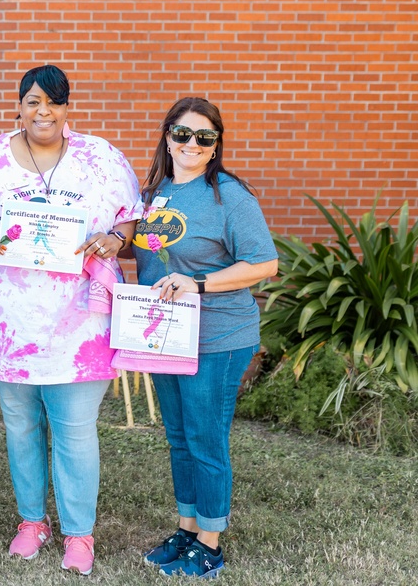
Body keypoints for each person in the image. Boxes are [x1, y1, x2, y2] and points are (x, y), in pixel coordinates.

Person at [0, 64, 141, 576]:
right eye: (32, 101)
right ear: (20, 106)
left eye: (52, 102)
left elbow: (130, 212)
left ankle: (79, 533)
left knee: (74, 430)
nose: (42, 111)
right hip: (9, 324)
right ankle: (32, 521)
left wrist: (117, 238)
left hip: (79, 323)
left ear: (66, 107)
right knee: (21, 426)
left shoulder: (100, 158)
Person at [133, 97, 277, 578]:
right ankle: (187, 529)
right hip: (164, 335)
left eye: (204, 137)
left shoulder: (229, 195)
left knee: (205, 437)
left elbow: (263, 263)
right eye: (182, 133)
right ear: (167, 136)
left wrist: (198, 284)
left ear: (216, 145)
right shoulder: (157, 192)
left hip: (217, 335)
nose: (191, 144)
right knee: (178, 438)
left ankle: (210, 543)